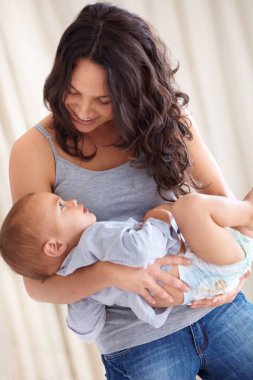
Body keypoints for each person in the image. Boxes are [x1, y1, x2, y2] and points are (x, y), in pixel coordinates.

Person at [8, 2, 253, 378]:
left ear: (132, 91)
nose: (84, 110)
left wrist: (234, 278)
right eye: (73, 93)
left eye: (104, 100)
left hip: (215, 306)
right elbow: (39, 285)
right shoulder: (34, 151)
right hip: (139, 342)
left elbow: (230, 210)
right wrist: (112, 274)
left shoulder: (166, 122)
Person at [1, 190, 253, 340]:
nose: (73, 201)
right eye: (62, 206)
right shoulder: (94, 238)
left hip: (202, 286)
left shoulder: (78, 287)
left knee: (235, 230)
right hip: (204, 266)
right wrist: (159, 219)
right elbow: (143, 252)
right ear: (54, 246)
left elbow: (86, 330)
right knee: (189, 206)